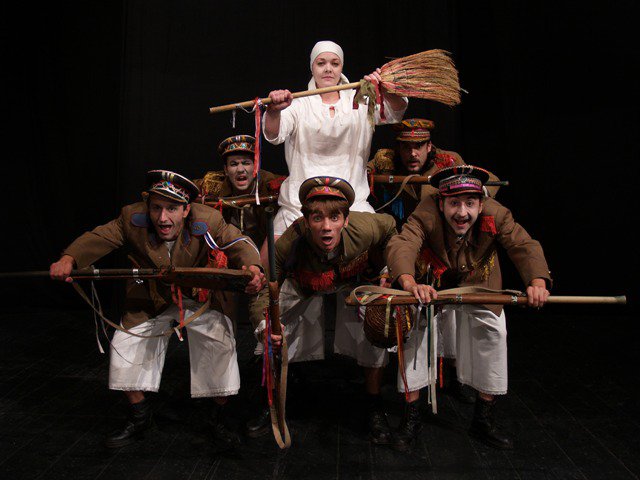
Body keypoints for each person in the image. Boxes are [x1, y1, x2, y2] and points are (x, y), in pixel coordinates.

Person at [49, 170, 266, 449]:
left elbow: (237, 241)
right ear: (148, 206)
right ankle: (140, 415)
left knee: (219, 345)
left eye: (172, 208)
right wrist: (69, 258)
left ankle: (217, 417)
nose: (163, 218)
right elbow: (100, 236)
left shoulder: (208, 219)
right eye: (156, 208)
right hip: (151, 298)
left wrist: (253, 267)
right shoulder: (132, 218)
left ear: (186, 209)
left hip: (199, 296)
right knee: (125, 346)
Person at [253, 176, 436, 448]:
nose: (327, 227)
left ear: (346, 220)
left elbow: (390, 228)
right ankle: (271, 400)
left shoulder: (365, 227)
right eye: (317, 218)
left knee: (375, 324)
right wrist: (264, 327)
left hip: (352, 281)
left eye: (335, 218)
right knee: (271, 328)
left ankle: (373, 404)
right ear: (306, 221)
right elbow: (266, 292)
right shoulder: (290, 241)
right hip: (305, 282)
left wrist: (386, 271)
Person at [385, 165, 551, 449]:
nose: (462, 212)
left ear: (481, 204)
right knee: (415, 333)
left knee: (493, 332)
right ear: (441, 203)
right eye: (454, 203)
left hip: (479, 280)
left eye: (470, 203)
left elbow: (523, 245)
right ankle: (411, 417)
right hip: (431, 281)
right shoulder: (426, 212)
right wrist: (410, 283)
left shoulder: (497, 214)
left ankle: (484, 419)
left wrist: (537, 281)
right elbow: (404, 243)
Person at [262, 40, 408, 250]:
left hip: (353, 205)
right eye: (321, 63)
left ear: (341, 67)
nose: (328, 69)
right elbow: (274, 134)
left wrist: (387, 89)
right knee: (268, 260)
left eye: (334, 63)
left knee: (386, 249)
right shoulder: (298, 105)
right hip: (300, 205)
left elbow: (395, 112)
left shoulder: (361, 101)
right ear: (312, 67)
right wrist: (274, 110)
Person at [368, 118, 501, 228]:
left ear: (429, 146)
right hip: (403, 231)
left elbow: (492, 180)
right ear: (398, 148)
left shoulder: (448, 161)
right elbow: (361, 172)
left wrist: (473, 191)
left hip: (440, 231)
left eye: (418, 146)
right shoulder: (386, 160)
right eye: (406, 147)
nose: (412, 153)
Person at [193, 134, 286, 250]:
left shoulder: (271, 185)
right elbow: (185, 187)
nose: (240, 169)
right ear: (226, 170)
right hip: (228, 250)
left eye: (246, 163)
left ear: (256, 166)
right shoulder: (213, 184)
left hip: (267, 251)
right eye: (234, 164)